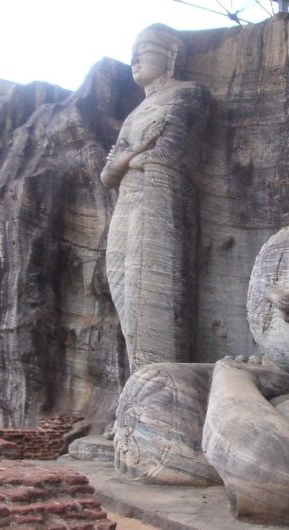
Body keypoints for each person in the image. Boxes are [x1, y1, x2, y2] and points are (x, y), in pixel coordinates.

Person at [101, 24, 211, 374]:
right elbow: (107, 175)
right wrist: (136, 151)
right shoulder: (135, 114)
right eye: (131, 50)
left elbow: (166, 155)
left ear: (172, 56)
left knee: (148, 294)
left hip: (161, 197)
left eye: (144, 48)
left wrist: (131, 159)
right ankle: (139, 384)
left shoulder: (189, 94)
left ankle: (159, 390)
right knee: (122, 290)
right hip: (128, 199)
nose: (134, 58)